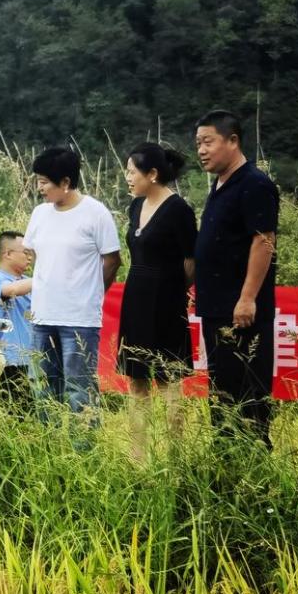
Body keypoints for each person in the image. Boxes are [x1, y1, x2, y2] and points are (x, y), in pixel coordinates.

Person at [193, 110, 278, 447]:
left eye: (208, 142)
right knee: (222, 393)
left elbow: (263, 240)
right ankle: (226, 463)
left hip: (242, 312)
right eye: (198, 144)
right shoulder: (220, 184)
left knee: (248, 394)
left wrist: (247, 297)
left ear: (233, 140)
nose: (201, 150)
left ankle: (253, 464)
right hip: (216, 308)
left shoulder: (254, 184)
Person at [23, 146, 122, 420]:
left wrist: (93, 293)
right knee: (43, 387)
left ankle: (84, 443)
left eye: (44, 182)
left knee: (80, 391)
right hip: (42, 317)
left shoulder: (96, 213)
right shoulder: (40, 213)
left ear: (65, 182)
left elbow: (112, 260)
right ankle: (50, 441)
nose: (40, 188)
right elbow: (33, 253)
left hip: (79, 319)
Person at [118, 142, 197, 458]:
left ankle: (175, 456)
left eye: (131, 171)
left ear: (152, 174)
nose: (127, 177)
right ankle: (137, 456)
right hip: (135, 296)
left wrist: (172, 289)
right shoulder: (135, 206)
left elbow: (191, 261)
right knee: (136, 380)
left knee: (168, 379)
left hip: (166, 300)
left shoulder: (179, 210)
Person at [0, 231, 34, 408]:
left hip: (32, 359)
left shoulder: (27, 281)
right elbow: (10, 290)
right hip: (10, 360)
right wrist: (45, 277)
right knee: (16, 412)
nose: (29, 257)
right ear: (8, 254)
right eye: (25, 252)